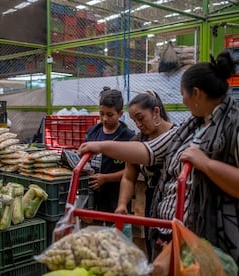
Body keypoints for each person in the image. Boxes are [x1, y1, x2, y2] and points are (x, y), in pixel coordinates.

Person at [78, 51, 239, 263]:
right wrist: (100, 145)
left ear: (197, 93)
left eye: (183, 94)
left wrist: (206, 164)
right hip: (171, 230)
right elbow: (145, 152)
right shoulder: (190, 128)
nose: (182, 100)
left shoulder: (232, 126)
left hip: (211, 236)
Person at [114, 90, 175, 260]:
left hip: (176, 200)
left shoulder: (177, 136)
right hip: (152, 199)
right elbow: (128, 177)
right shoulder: (136, 142)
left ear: (156, 112)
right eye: (135, 121)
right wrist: (122, 204)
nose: (138, 125)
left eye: (141, 118)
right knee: (153, 244)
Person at [85, 88, 135, 214]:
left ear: (120, 114)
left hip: (117, 197)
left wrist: (105, 178)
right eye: (101, 113)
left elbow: (131, 171)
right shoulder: (93, 133)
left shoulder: (128, 137)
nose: (105, 119)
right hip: (94, 195)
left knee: (116, 229)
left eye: (110, 114)